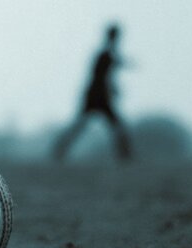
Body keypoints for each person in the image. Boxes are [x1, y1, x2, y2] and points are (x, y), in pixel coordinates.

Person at [52, 23, 132, 163]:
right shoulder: (106, 54)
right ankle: (125, 156)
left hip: (96, 96)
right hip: (99, 97)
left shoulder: (107, 53)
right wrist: (111, 89)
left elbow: (108, 71)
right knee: (114, 126)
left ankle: (59, 151)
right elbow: (102, 76)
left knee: (83, 126)